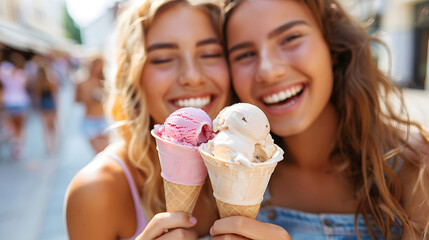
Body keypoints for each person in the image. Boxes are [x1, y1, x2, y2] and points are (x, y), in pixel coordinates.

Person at [208, 0, 429, 240]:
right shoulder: (219, 178)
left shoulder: (417, 167)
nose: (269, 71)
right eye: (246, 54)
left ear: (333, 47)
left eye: (290, 38)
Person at [64, 0, 230, 239]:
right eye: (163, 58)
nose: (192, 76)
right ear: (133, 75)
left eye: (211, 54)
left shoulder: (265, 169)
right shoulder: (96, 190)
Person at [75, 56, 109, 153]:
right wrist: (90, 96)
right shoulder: (82, 83)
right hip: (89, 120)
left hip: (103, 119)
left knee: (106, 152)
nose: (101, 68)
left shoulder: (103, 81)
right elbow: (77, 100)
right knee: (98, 153)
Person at [0, 51, 30, 159]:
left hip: (9, 102)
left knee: (12, 125)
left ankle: (13, 142)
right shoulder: (22, 74)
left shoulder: (5, 74)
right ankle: (17, 147)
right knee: (19, 127)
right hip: (21, 102)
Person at [34, 63, 58, 154]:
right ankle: (53, 143)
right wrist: (56, 108)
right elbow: (54, 96)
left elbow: (38, 96)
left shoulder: (38, 84)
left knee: (45, 126)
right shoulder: (50, 82)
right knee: (52, 126)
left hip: (43, 105)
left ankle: (47, 145)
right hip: (50, 104)